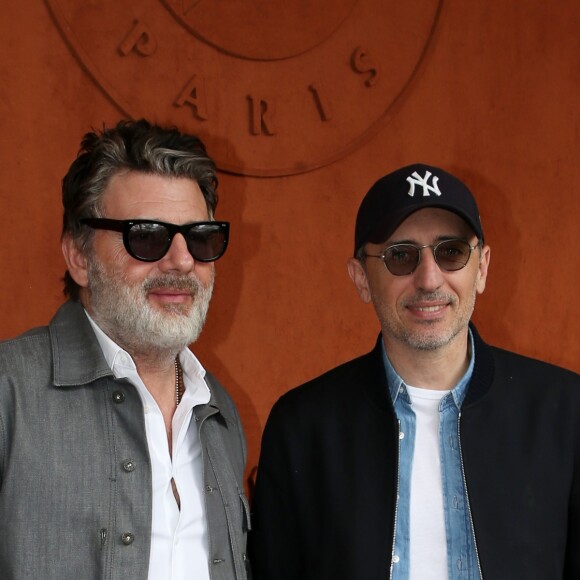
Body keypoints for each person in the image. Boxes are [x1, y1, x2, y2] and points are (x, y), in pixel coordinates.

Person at [250, 163, 580, 579]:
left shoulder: (565, 413)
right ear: (361, 278)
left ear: (481, 267)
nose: (428, 279)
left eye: (451, 252)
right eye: (401, 256)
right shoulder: (303, 427)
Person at [0, 120, 250, 580]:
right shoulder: (9, 393)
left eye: (200, 237)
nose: (181, 261)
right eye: (148, 236)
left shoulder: (218, 414)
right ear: (79, 255)